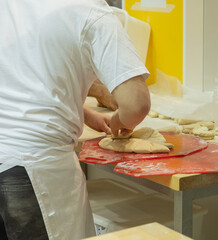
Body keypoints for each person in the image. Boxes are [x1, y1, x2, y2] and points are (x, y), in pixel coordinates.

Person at [0, 0, 150, 239]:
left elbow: (23, 72)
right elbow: (136, 104)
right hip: (35, 169)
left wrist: (85, 113)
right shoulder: (91, 10)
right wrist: (121, 122)